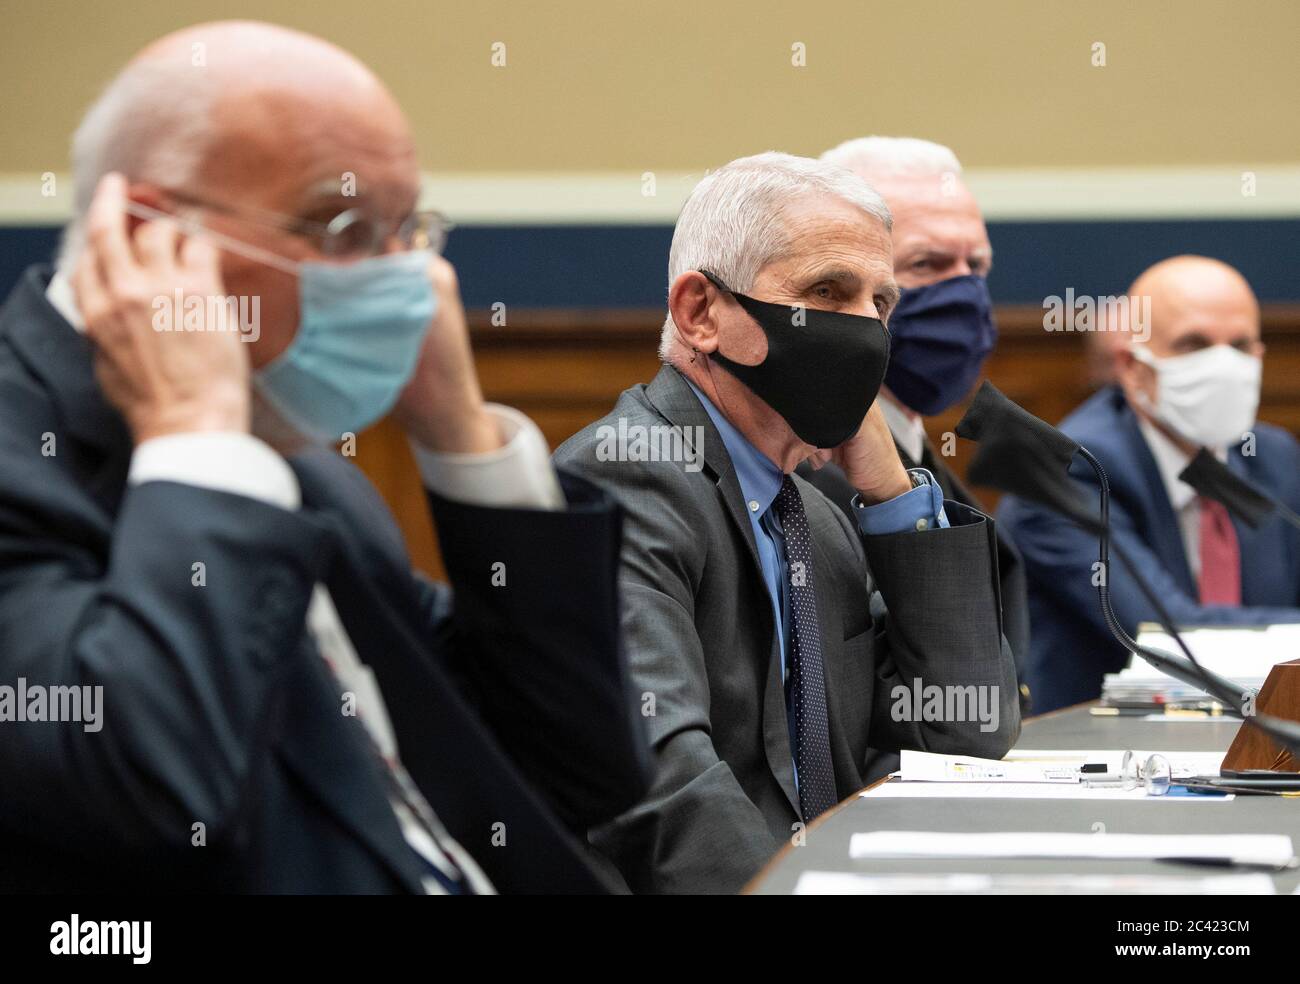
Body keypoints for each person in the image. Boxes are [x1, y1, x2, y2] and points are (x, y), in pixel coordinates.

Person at [0, 21, 648, 894]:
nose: (403, 280)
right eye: (343, 229)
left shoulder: (310, 474)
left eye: (407, 229)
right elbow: (146, 796)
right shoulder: (43, 456)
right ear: (153, 239)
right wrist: (194, 432)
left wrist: (463, 440)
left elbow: (580, 773)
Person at [555, 152, 1020, 894]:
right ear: (701, 312)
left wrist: (896, 499)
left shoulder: (815, 515)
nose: (866, 331)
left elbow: (963, 732)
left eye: (881, 304)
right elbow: (663, 783)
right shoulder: (624, 477)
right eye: (827, 292)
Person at [999, 255, 1300, 712]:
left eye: (1239, 346)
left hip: (1260, 737)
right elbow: (1166, 633)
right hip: (1101, 754)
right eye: (1193, 344)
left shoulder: (1271, 457)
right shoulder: (1064, 472)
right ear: (1132, 366)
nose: (1223, 365)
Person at [794, 137, 1030, 704]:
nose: (966, 291)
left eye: (976, 265)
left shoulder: (922, 459)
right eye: (927, 265)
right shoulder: (798, 476)